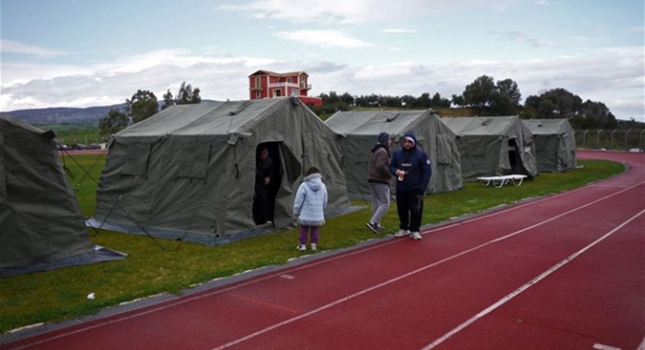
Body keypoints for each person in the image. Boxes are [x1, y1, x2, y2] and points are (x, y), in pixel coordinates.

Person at [389, 131, 431, 240]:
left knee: (416, 209)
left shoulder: (421, 154)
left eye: (410, 142)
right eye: (405, 142)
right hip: (401, 187)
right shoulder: (397, 154)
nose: (407, 144)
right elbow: (391, 166)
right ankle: (404, 228)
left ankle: (415, 230)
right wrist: (396, 171)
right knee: (402, 209)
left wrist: (421, 187)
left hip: (415, 188)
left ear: (414, 143)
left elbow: (426, 171)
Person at [293, 166, 328, 251]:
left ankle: (302, 244)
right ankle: (313, 244)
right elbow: (325, 199)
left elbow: (299, 199)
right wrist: (322, 208)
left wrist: (296, 211)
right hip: (317, 212)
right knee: (315, 228)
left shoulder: (304, 185)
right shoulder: (323, 186)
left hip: (306, 212)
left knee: (304, 228)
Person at [366, 132, 392, 234]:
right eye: (389, 139)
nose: (390, 141)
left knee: (376, 202)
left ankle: (376, 224)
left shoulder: (374, 150)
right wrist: (388, 174)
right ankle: (373, 222)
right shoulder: (382, 151)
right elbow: (380, 166)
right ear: (385, 140)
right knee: (385, 203)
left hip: (372, 179)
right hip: (380, 180)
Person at [254, 147, 274, 225]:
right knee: (256, 202)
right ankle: (256, 219)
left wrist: (269, 177)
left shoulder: (269, 161)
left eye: (266, 153)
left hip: (263, 184)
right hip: (256, 183)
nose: (264, 155)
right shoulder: (256, 160)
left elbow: (272, 171)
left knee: (264, 201)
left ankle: (266, 218)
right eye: (263, 153)